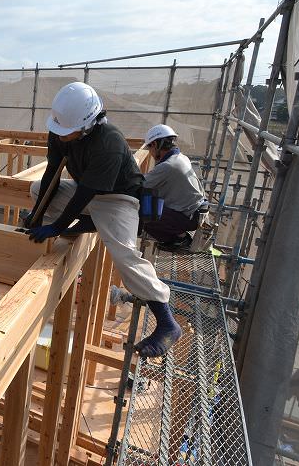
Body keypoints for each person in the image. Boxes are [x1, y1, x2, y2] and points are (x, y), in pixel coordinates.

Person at [24, 82, 181, 358]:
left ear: (86, 126)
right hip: (89, 191)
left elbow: (86, 194)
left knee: (123, 254)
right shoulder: (62, 129)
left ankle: (167, 322)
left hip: (119, 199)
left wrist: (58, 226)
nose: (61, 137)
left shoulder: (109, 142)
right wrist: (37, 215)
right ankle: (90, 224)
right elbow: (52, 174)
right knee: (37, 188)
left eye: (67, 133)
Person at [141, 124, 207, 250]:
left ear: (155, 144)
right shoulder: (181, 157)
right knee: (150, 202)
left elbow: (139, 185)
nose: (150, 153)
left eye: (149, 148)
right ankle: (178, 234)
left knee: (143, 210)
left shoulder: (168, 166)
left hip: (189, 218)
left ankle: (180, 239)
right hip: (195, 213)